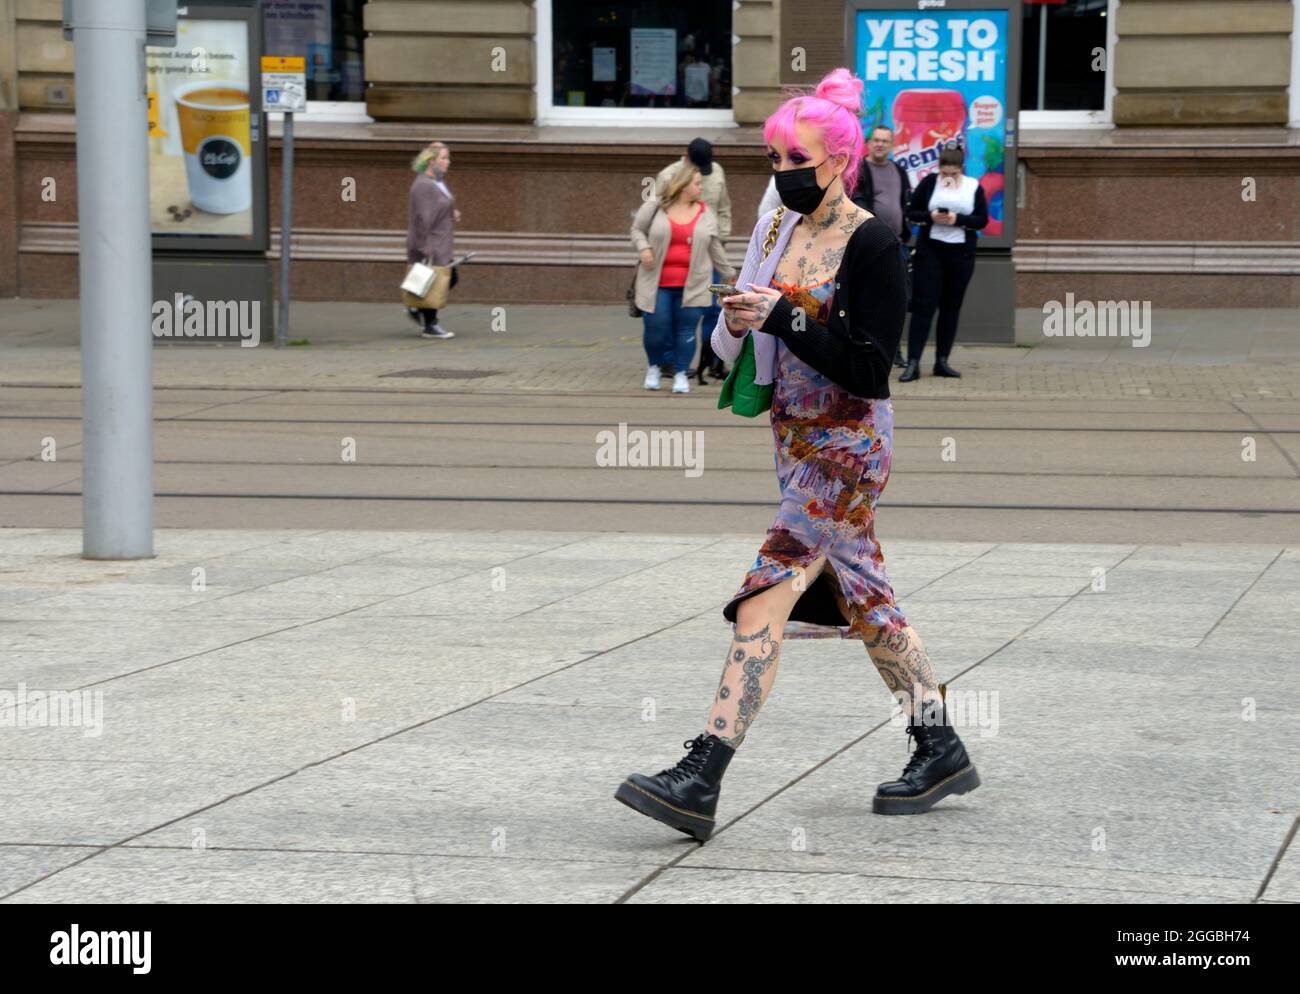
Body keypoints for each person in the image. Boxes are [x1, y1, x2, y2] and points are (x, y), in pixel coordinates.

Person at [615, 68, 980, 841]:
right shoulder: (778, 231)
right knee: (870, 602)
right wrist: (741, 322)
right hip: (794, 438)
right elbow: (730, 347)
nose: (783, 175)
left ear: (838, 162)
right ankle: (938, 743)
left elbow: (872, 368)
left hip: (847, 447)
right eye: (775, 161)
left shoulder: (873, 242)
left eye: (798, 162)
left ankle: (702, 773)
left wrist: (788, 318)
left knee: (763, 595)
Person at [631, 161, 735, 395]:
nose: (701, 188)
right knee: (656, 328)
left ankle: (680, 372)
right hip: (658, 284)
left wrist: (728, 273)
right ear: (683, 184)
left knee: (686, 331)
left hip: (694, 284)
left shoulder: (704, 212)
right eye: (697, 183)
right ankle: (654, 367)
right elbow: (636, 229)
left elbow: (714, 246)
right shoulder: (656, 206)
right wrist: (643, 248)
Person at [899, 144, 988, 381]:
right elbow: (912, 213)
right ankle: (914, 361)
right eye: (944, 173)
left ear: (961, 169)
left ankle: (942, 360)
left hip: (961, 254)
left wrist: (957, 219)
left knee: (951, 307)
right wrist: (930, 217)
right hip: (931, 252)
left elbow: (981, 220)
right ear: (939, 169)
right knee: (923, 306)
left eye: (953, 173)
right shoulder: (929, 183)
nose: (948, 178)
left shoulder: (973, 187)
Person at [656, 139, 733, 384]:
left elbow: (724, 208)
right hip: (678, 254)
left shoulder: (717, 171)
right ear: (686, 157)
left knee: (713, 308)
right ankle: (670, 361)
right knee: (676, 310)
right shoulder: (667, 176)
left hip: (709, 250)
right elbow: (656, 214)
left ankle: (712, 360)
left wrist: (721, 237)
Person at [851, 124, 912, 368]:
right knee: (870, 300)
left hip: (898, 245)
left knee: (898, 299)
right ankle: (871, 349)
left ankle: (894, 350)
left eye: (885, 141)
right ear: (869, 142)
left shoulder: (898, 170)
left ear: (891, 144)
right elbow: (858, 202)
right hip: (871, 246)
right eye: (876, 140)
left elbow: (904, 202)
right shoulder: (859, 169)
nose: (880, 144)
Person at [406, 141, 462, 340]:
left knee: (447, 278)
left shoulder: (437, 182)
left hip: (440, 241)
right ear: (431, 161)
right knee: (438, 280)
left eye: (448, 158)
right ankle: (429, 324)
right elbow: (422, 219)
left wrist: (451, 212)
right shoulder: (424, 185)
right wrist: (425, 248)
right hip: (431, 243)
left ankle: (416, 308)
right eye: (444, 158)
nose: (448, 162)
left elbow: (439, 205)